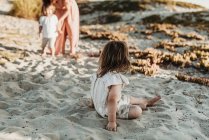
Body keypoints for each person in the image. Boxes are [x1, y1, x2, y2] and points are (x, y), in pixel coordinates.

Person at [90, 41, 161, 132]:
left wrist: (93, 104)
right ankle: (141, 105)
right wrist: (112, 121)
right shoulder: (115, 79)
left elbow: (93, 89)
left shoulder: (98, 74)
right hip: (108, 110)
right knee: (137, 111)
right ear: (122, 60)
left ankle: (144, 101)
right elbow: (112, 100)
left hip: (99, 106)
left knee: (125, 98)